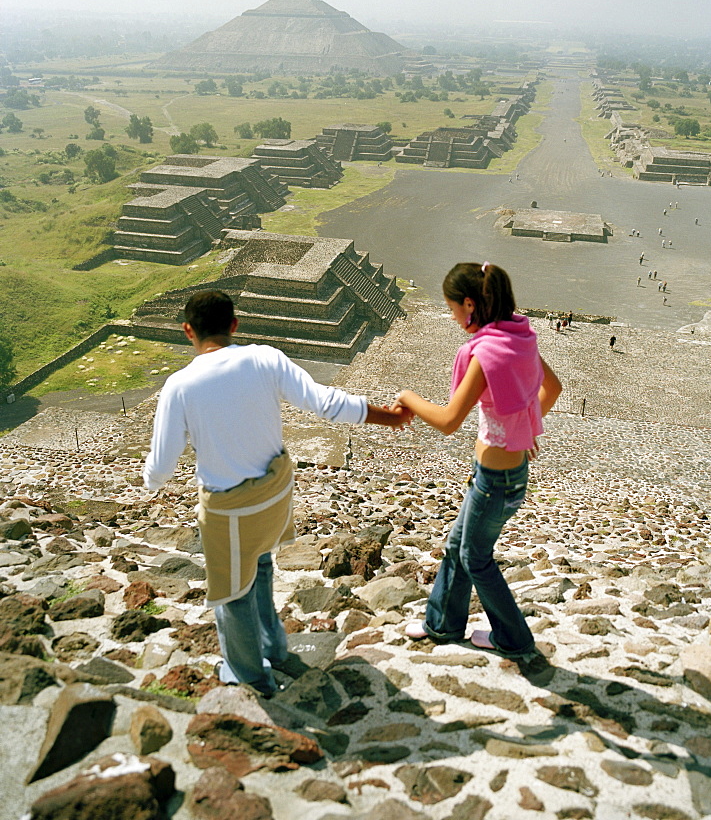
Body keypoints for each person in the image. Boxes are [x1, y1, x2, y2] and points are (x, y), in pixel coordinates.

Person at [143, 289, 411, 696]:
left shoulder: (180, 385)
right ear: (234, 325)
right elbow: (325, 402)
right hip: (275, 495)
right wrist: (386, 417)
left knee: (232, 593)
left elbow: (163, 462)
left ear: (187, 331)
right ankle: (274, 645)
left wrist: (150, 483)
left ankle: (251, 674)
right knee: (262, 564)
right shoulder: (265, 358)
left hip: (231, 511)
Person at [396, 262, 561, 659]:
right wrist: (523, 429)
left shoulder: (486, 354)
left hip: (495, 481)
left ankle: (515, 637)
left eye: (452, 308)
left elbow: (450, 420)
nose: (453, 317)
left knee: (475, 557)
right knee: (457, 545)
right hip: (503, 473)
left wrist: (409, 398)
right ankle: (443, 623)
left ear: (470, 304)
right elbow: (552, 388)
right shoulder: (518, 337)